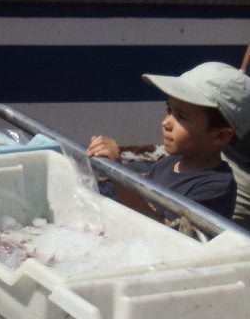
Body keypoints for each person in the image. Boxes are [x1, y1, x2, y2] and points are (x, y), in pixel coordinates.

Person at [86, 62, 250, 222]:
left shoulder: (216, 187)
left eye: (181, 117)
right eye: (169, 110)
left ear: (220, 136)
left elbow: (164, 234)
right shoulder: (165, 164)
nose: (166, 123)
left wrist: (118, 174)